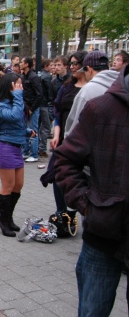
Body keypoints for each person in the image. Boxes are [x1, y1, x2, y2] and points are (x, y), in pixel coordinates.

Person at [54, 64, 129, 317]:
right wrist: (89, 204)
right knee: (92, 311)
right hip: (103, 235)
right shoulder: (102, 108)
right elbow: (65, 159)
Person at [0, 74, 35, 237]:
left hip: (16, 148)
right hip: (5, 148)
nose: (21, 88)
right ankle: (3, 220)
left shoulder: (17, 102)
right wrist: (18, 96)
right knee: (8, 186)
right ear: (10, 86)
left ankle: (7, 218)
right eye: (18, 85)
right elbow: (14, 116)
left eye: (21, 85)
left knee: (18, 185)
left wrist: (28, 132)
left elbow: (18, 123)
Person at [49, 51, 87, 213]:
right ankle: (61, 211)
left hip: (82, 141)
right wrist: (56, 134)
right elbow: (58, 111)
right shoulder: (67, 86)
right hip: (64, 139)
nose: (72, 67)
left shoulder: (91, 88)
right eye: (70, 64)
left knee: (81, 177)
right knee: (58, 174)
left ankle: (82, 211)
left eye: (75, 64)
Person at [64, 51, 119, 138]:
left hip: (94, 145)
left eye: (84, 71)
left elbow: (75, 125)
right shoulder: (122, 86)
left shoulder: (87, 91)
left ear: (89, 70)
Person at [19, 56, 43, 162]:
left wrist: (32, 108)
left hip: (32, 107)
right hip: (25, 107)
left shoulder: (33, 77)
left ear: (27, 64)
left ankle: (34, 154)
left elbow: (39, 94)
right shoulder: (23, 77)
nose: (20, 63)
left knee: (33, 129)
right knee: (25, 129)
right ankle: (25, 151)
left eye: (22, 62)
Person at [38, 58, 53, 158]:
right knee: (46, 127)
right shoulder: (47, 77)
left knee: (38, 127)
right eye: (51, 65)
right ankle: (42, 148)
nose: (53, 67)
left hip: (40, 104)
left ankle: (37, 147)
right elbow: (49, 92)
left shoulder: (40, 75)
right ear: (46, 66)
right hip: (45, 105)